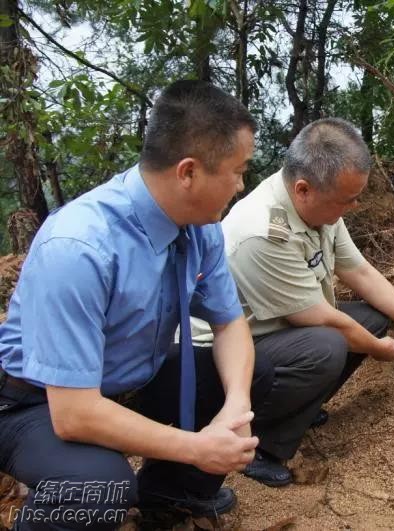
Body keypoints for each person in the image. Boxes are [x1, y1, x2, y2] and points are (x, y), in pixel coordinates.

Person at [0, 80, 273, 530]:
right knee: (94, 488)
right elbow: (74, 414)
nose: (241, 186)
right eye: (238, 171)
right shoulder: (80, 247)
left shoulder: (199, 226)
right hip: (35, 401)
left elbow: (229, 325)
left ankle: (169, 497)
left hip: (123, 379)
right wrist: (197, 448)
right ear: (188, 173)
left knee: (250, 373)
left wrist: (234, 406)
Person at [190, 117, 394, 487]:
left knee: (369, 318)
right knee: (327, 345)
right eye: (347, 199)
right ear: (303, 189)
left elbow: (361, 273)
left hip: (275, 333)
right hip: (216, 355)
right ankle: (264, 445)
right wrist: (379, 349)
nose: (353, 207)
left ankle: (299, 408)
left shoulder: (318, 203)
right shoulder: (263, 232)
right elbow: (324, 320)